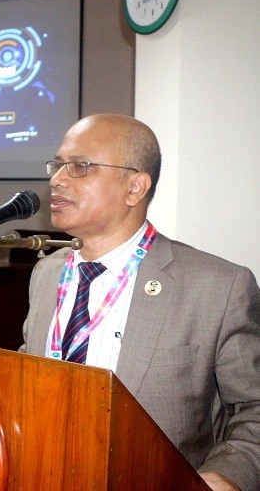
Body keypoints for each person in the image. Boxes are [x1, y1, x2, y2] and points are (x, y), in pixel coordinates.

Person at [20, 113, 260, 491]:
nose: (57, 179)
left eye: (80, 166)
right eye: (58, 165)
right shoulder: (47, 273)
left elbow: (253, 409)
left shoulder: (217, 286)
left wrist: (226, 474)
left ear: (135, 187)